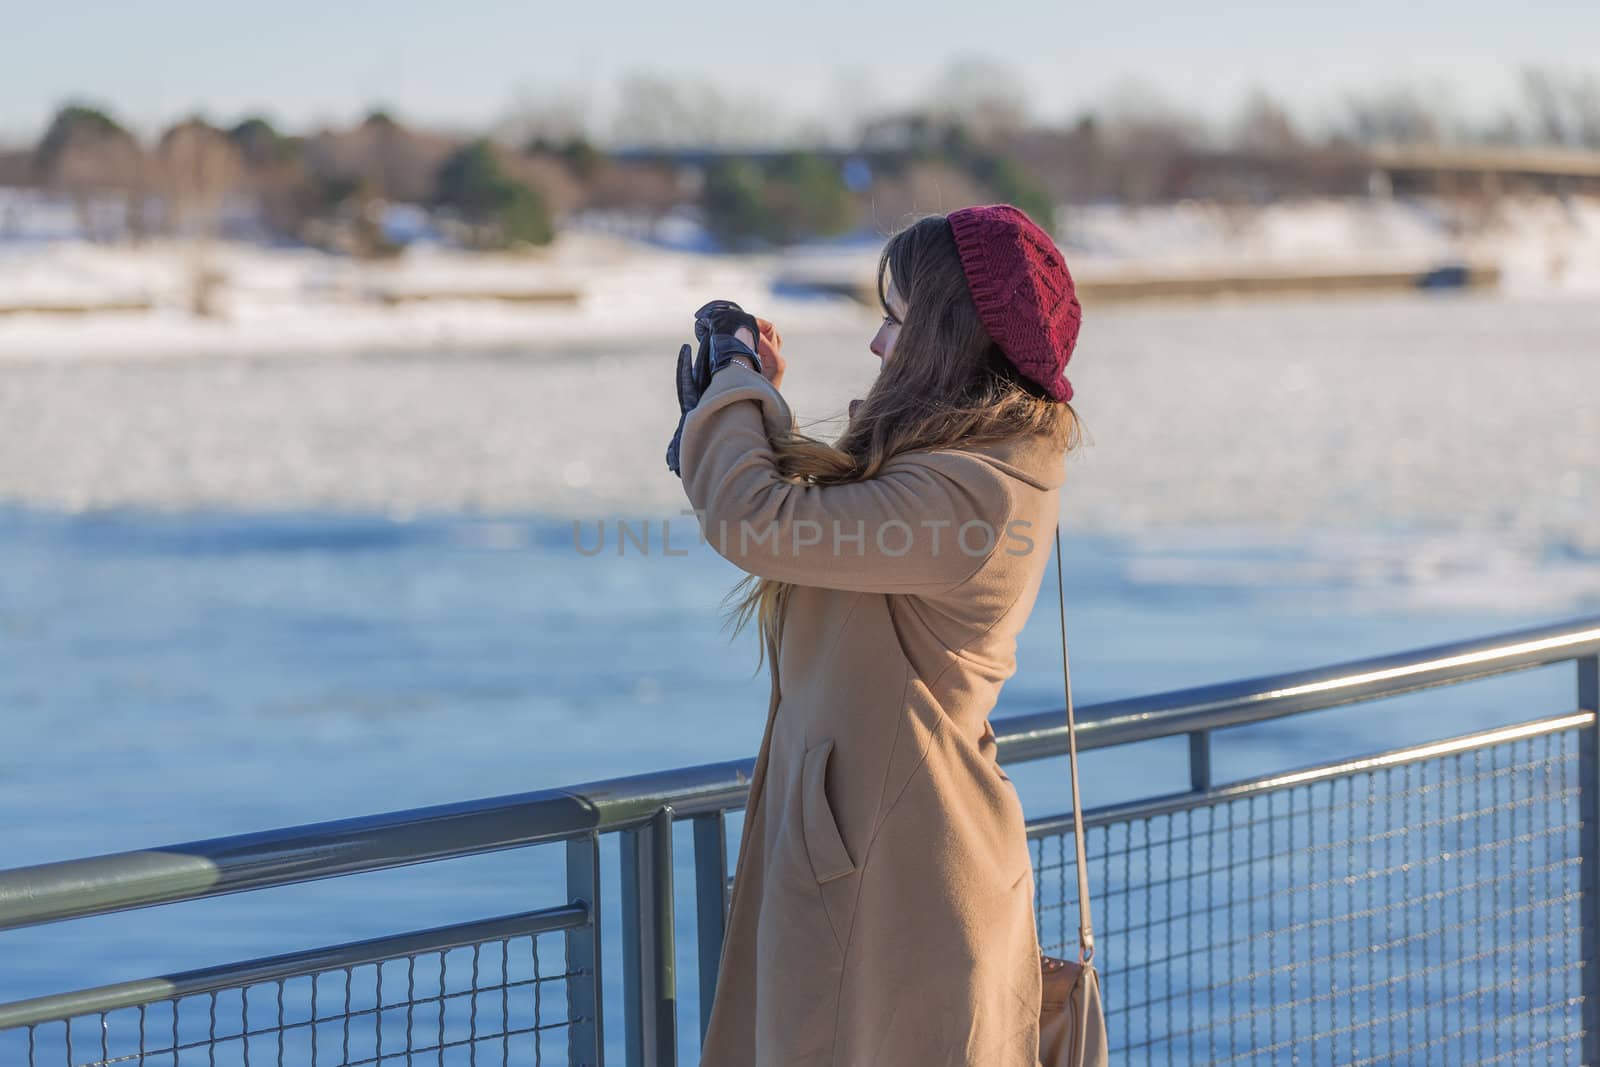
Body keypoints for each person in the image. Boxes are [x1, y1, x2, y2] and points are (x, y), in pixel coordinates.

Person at [672, 203, 1085, 1066]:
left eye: (895, 320)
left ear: (948, 335)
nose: (877, 345)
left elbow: (759, 522)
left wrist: (738, 392)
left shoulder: (976, 493)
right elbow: (830, 526)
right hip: (878, 866)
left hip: (900, 895)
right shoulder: (962, 471)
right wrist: (752, 413)